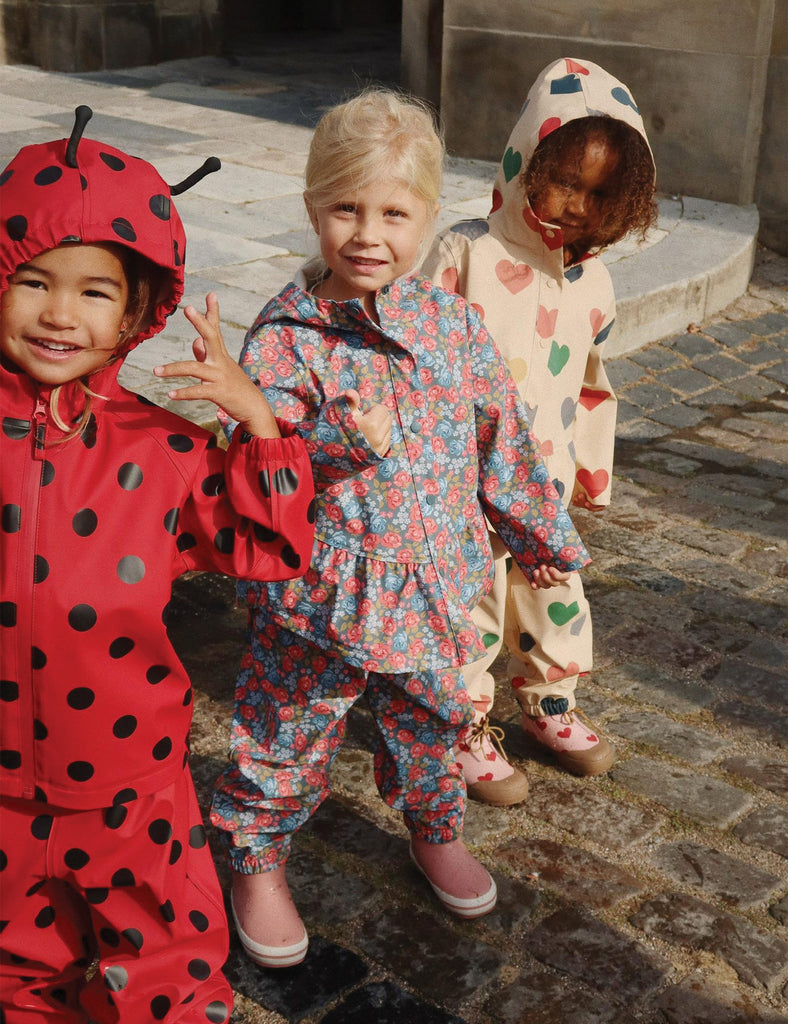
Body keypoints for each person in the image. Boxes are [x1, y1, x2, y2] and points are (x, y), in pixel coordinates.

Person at [209, 88, 590, 970]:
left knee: (433, 720)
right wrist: (338, 441)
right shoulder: (285, 336)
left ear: (428, 217)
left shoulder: (453, 327)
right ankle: (258, 860)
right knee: (285, 728)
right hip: (320, 594)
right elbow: (254, 471)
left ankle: (435, 829)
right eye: (345, 208)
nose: (368, 234)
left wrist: (540, 541)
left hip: (432, 585)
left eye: (394, 211)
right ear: (313, 209)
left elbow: (503, 440)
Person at [0, 108, 317, 1022]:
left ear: (139, 309)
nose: (60, 313)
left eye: (96, 291)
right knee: (19, 969)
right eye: (32, 281)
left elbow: (269, 546)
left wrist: (257, 421)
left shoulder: (164, 450)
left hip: (130, 787)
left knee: (168, 964)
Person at [423, 57, 657, 804]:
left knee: (553, 592)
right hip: (463, 480)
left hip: (544, 479)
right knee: (470, 600)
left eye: (596, 194)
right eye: (562, 179)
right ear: (527, 158)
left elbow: (590, 382)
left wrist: (590, 472)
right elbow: (420, 360)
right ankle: (458, 720)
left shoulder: (593, 281)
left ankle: (549, 701)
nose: (574, 205)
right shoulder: (468, 252)